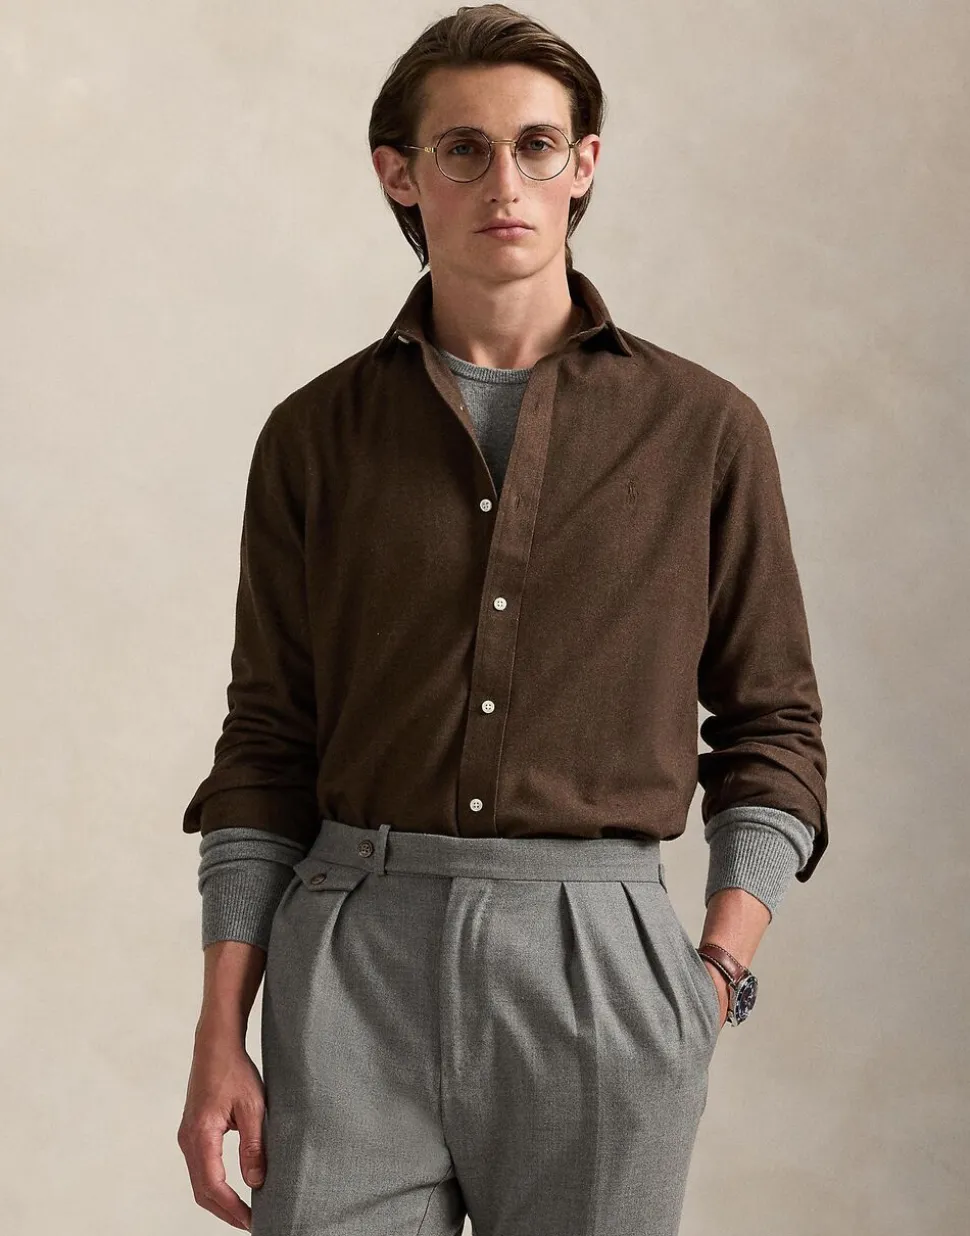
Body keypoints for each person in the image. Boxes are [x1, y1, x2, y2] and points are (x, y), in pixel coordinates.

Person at [176, 5, 828, 1234]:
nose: (504, 183)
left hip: (601, 960)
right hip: (351, 963)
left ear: (584, 165)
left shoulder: (703, 430)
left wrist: (714, 969)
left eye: (537, 145)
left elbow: (774, 727)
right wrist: (223, 1031)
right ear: (400, 173)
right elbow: (266, 741)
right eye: (463, 149)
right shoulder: (314, 436)